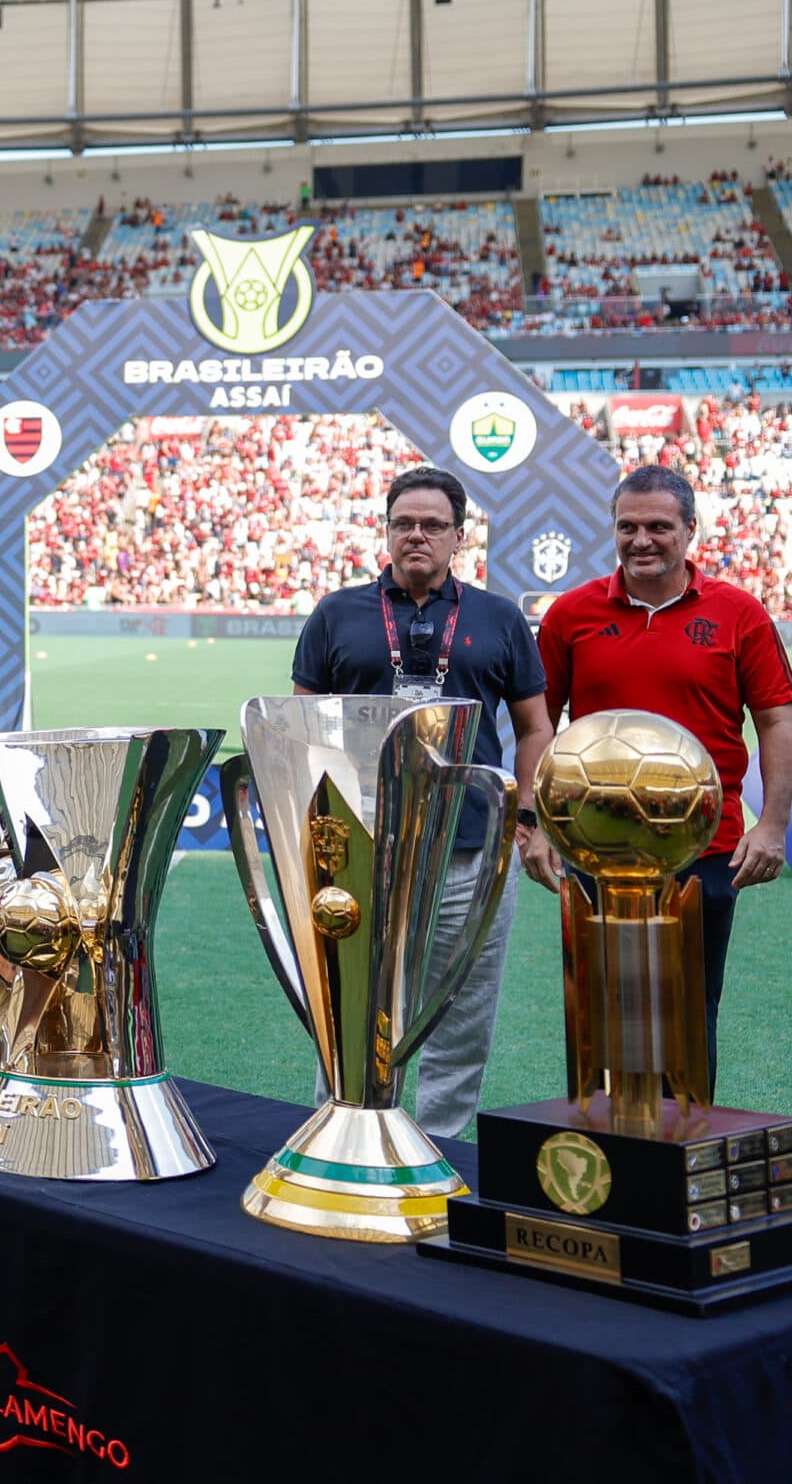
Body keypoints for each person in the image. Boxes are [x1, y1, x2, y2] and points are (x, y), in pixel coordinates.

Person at [288, 465, 555, 1137]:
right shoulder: (337, 614)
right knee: (356, 1003)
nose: (417, 535)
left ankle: (435, 1146)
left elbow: (534, 726)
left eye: (433, 525)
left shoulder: (497, 618)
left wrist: (526, 818)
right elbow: (301, 726)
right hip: (361, 848)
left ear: (457, 537)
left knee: (458, 1012)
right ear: (385, 531)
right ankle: (343, 1133)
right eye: (404, 523)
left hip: (469, 848)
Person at [533, 463, 792, 1078]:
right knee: (598, 1011)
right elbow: (536, 726)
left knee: (687, 1008)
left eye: (658, 527)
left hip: (708, 846)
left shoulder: (739, 613)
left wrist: (773, 827)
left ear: (690, 531)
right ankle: (600, 1148)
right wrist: (537, 825)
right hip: (597, 846)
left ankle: (682, 1149)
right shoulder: (571, 614)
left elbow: (777, 723)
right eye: (627, 527)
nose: (641, 540)